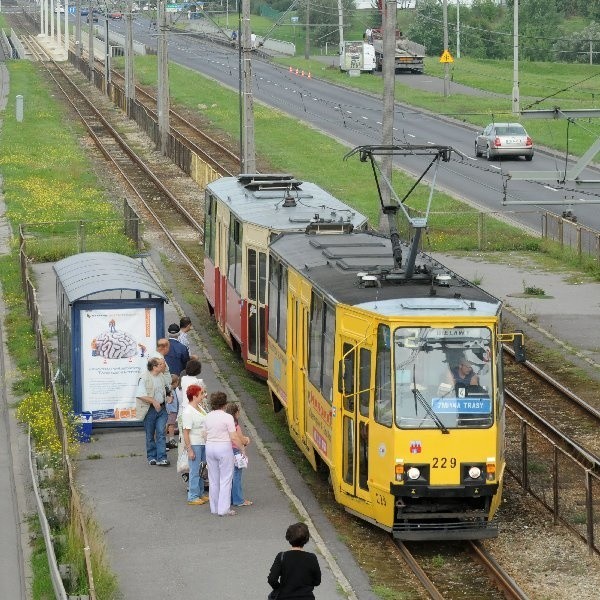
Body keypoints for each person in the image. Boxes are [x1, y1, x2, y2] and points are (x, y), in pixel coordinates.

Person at [204, 391, 247, 516]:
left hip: (210, 447)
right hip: (223, 447)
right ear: (224, 404)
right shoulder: (227, 417)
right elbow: (233, 437)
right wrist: (242, 448)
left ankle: (214, 507)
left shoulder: (207, 416)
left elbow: (204, 434)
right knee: (226, 478)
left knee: (213, 478)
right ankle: (224, 509)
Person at [267, 522, 321, 600]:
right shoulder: (312, 558)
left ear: (288, 538)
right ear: (306, 539)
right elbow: (317, 581)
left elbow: (272, 579)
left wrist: (281, 589)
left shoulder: (282, 556)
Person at [136, 357, 170, 466]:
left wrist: (169, 396)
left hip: (162, 408)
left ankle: (162, 457)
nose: (163, 366)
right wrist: (153, 401)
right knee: (150, 434)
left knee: (161, 432)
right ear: (154, 367)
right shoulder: (144, 377)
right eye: (160, 364)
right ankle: (151, 456)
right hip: (149, 409)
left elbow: (167, 388)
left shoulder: (161, 376)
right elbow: (141, 395)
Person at [182, 384, 209, 505]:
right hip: (195, 443)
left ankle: (200, 493)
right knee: (194, 470)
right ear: (194, 396)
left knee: (202, 469)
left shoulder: (199, 407)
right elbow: (185, 432)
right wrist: (189, 449)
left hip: (203, 442)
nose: (204, 396)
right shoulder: (188, 412)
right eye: (201, 394)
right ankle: (192, 496)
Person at [225, 402, 252, 507]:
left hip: (227, 451)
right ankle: (238, 500)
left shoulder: (226, 424)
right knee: (236, 476)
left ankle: (231, 498)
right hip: (236, 452)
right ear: (236, 413)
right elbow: (240, 439)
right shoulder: (235, 426)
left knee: (229, 476)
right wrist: (247, 440)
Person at [165, 374, 180, 449]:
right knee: (170, 425)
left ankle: (166, 440)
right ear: (175, 383)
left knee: (169, 424)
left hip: (171, 410)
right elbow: (169, 400)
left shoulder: (170, 389)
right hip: (171, 410)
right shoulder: (171, 390)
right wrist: (171, 397)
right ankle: (171, 440)